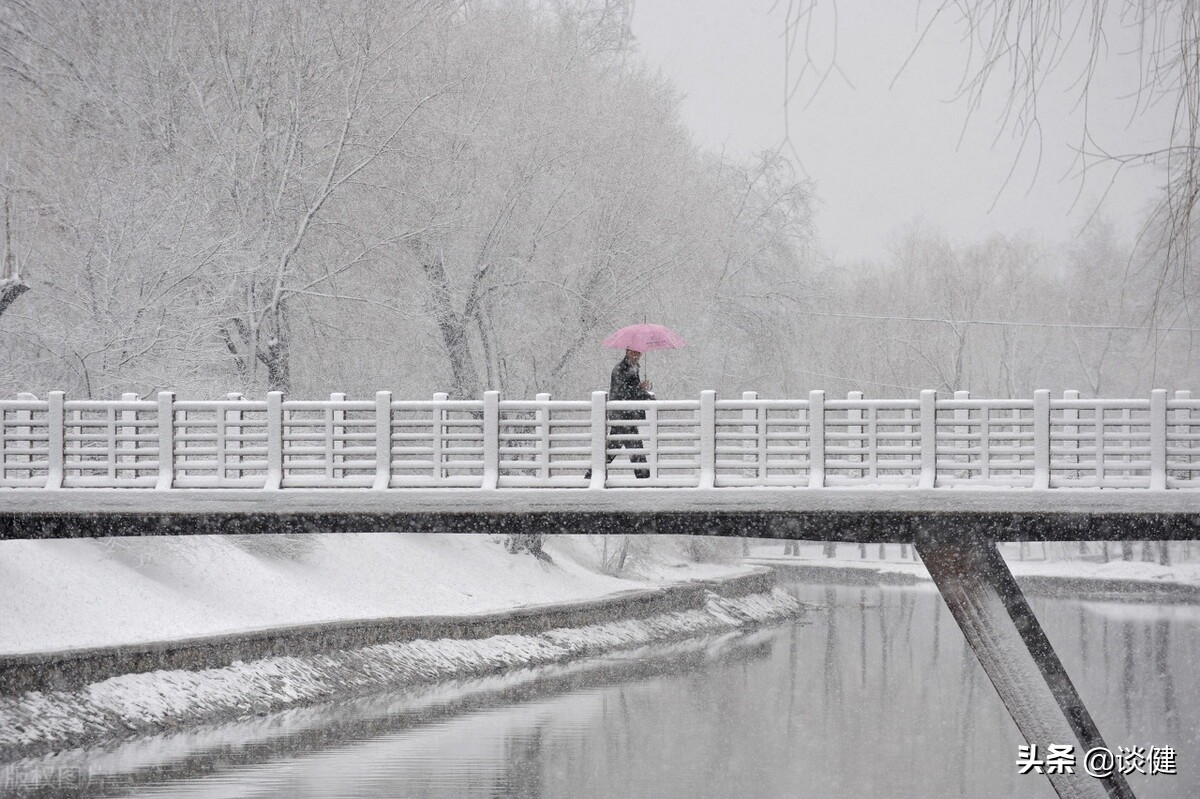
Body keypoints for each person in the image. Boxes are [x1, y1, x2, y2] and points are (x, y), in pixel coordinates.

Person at [585, 348, 654, 480]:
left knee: (615, 449)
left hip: (626, 416)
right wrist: (641, 389)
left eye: (639, 352)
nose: (637, 355)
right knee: (633, 448)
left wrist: (647, 395)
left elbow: (632, 391)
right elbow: (625, 393)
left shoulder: (633, 368)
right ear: (627, 352)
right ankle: (644, 480)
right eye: (634, 352)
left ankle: (592, 475)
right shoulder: (620, 369)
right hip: (623, 416)